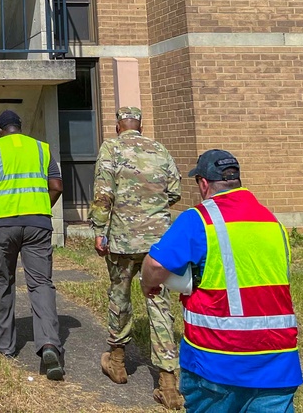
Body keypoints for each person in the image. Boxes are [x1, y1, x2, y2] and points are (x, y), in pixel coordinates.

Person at [141, 150, 302, 413]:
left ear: (203, 183)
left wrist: (148, 284)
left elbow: (156, 264)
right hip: (277, 362)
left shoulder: (200, 218)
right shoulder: (273, 222)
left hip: (217, 360)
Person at [88, 106, 184, 410]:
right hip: (157, 242)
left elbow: (104, 192)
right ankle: (168, 383)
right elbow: (175, 191)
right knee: (159, 302)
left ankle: (117, 361)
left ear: (119, 126)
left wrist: (100, 229)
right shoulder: (159, 149)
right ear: (140, 126)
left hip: (121, 239)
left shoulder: (111, 148)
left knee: (120, 296)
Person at [0, 109, 65, 381]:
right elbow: (56, 185)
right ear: (19, 128)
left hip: (3, 225)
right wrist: (41, 206)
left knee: (3, 282)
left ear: (0, 130)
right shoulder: (41, 149)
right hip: (38, 225)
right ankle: (48, 344)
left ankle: (6, 346)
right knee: (41, 283)